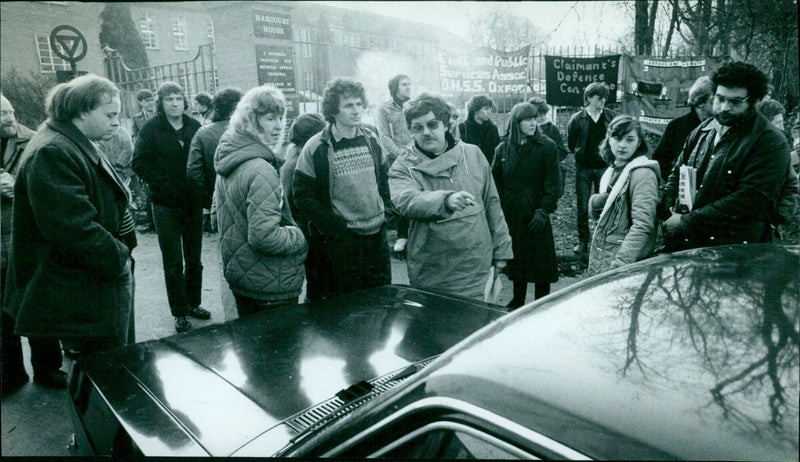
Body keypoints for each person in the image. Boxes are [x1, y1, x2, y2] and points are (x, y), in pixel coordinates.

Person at [3, 75, 136, 363]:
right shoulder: (53, 150)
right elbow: (74, 229)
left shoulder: (69, 140)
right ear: (81, 111)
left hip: (94, 275)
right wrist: (120, 257)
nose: (117, 121)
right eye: (110, 114)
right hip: (89, 280)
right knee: (104, 367)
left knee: (104, 364)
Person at [389, 93, 512, 301]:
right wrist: (445, 200)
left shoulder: (473, 154)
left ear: (445, 125)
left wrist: (502, 248)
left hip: (476, 267)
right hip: (432, 269)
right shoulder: (402, 166)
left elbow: (492, 203)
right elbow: (408, 200)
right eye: (418, 128)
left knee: (477, 328)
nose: (426, 132)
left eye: (432, 124)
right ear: (411, 131)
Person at [659, 61, 790, 252]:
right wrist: (668, 211)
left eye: (735, 102)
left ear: (753, 100)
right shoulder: (703, 129)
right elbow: (677, 173)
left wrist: (686, 221)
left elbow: (750, 200)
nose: (724, 107)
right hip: (690, 245)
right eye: (720, 99)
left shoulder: (769, 141)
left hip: (738, 251)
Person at [293, 77, 393, 296]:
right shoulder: (317, 147)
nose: (356, 110)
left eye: (359, 104)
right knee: (346, 307)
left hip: (376, 240)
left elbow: (384, 180)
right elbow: (302, 195)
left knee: (379, 301)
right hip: (342, 243)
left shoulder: (371, 139)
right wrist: (334, 227)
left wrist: (387, 210)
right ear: (333, 110)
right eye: (348, 105)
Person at [214, 85, 307, 316]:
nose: (278, 126)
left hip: (244, 276)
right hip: (270, 283)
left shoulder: (231, 156)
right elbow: (264, 236)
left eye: (280, 118)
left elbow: (216, 217)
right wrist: (300, 237)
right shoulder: (260, 168)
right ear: (251, 120)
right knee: (280, 349)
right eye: (270, 118)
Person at [1, 94, 65, 395]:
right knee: (2, 315)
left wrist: (17, 187)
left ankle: (48, 368)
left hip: (25, 239)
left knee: (38, 304)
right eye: (2, 114)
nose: (10, 118)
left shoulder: (35, 141)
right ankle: (10, 374)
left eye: (11, 110)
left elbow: (48, 185)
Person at [133, 82, 209, 333]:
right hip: (165, 204)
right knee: (173, 261)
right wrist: (162, 183)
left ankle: (194, 302)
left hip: (191, 202)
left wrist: (201, 190)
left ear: (185, 102)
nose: (175, 103)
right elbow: (139, 162)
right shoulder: (151, 128)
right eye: (169, 99)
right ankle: (179, 312)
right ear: (161, 103)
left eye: (178, 98)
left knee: (194, 258)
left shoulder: (194, 126)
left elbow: (203, 160)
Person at [492, 103, 560, 308]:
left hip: (536, 215)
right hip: (513, 216)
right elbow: (496, 184)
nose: (533, 123)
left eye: (534, 119)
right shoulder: (503, 148)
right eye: (527, 119)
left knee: (542, 266)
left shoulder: (547, 146)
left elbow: (554, 184)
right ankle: (518, 301)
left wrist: (544, 211)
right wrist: (501, 213)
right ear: (516, 122)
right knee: (518, 262)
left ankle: (541, 304)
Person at [587, 116, 661, 275]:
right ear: (608, 139)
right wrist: (595, 203)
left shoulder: (643, 174)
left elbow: (643, 224)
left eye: (630, 139)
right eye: (617, 138)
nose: (622, 145)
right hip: (606, 257)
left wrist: (620, 264)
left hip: (623, 262)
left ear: (639, 143)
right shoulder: (612, 170)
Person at [280, 112, 328, 301]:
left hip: (300, 224)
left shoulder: (292, 153)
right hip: (307, 227)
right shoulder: (302, 159)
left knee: (316, 278)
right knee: (318, 280)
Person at [567, 82, 617, 255]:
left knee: (605, 205)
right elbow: (571, 143)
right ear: (588, 98)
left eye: (604, 98)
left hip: (605, 168)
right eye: (599, 98)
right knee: (582, 206)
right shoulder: (577, 119)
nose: (602, 101)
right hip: (585, 169)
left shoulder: (611, 117)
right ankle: (583, 242)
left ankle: (602, 241)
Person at [187, 87, 243, 233]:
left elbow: (193, 172)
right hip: (246, 196)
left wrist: (207, 199)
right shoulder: (248, 131)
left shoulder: (202, 133)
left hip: (216, 198)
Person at [652, 76, 714, 182]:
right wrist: (677, 182)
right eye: (713, 101)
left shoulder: (723, 126)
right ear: (700, 102)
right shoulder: (676, 126)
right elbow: (660, 159)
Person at [377, 74, 413, 253]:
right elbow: (383, 136)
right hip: (394, 159)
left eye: (409, 84)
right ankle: (401, 235)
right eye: (404, 85)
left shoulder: (413, 106)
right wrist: (399, 154)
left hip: (414, 157)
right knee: (398, 195)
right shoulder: (384, 109)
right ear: (395, 89)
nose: (408, 87)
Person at [755, 99, 798, 242]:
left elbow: (791, 187)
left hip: (770, 229)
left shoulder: (779, 149)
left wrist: (778, 217)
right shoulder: (750, 149)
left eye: (782, 122)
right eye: (778, 123)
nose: (783, 128)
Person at [528, 97, 569, 197]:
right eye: (538, 115)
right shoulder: (524, 128)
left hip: (547, 173)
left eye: (543, 114)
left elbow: (562, 150)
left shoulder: (551, 128)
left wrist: (550, 161)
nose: (541, 118)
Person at [130, 89, 156, 231]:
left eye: (151, 99)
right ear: (140, 103)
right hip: (146, 156)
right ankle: (152, 222)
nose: (150, 102)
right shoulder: (137, 118)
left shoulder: (160, 114)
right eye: (146, 100)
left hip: (159, 155)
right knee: (147, 189)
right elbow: (134, 135)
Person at [458, 94, 501, 165]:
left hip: (487, 169)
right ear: (475, 109)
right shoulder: (463, 128)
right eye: (486, 109)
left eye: (490, 109)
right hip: (468, 170)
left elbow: (496, 155)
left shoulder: (492, 129)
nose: (489, 112)